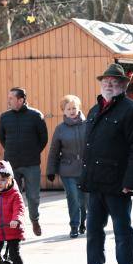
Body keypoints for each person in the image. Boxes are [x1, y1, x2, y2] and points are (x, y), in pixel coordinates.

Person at [70, 64, 133, 264]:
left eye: (114, 82)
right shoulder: (95, 110)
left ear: (123, 85)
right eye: (105, 81)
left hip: (118, 184)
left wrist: (130, 182)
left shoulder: (131, 110)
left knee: (122, 232)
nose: (109, 84)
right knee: (93, 231)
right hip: (95, 183)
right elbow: (90, 146)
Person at [0, 87, 48, 237]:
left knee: (33, 196)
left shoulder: (36, 115)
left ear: (21, 100)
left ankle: (34, 220)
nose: (9, 101)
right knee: (12, 196)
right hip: (11, 165)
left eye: (11, 98)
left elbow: (43, 139)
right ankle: (15, 225)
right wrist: (11, 151)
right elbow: (2, 138)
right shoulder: (4, 117)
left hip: (31, 163)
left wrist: (32, 152)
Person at [46, 95, 88, 238]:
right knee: (73, 198)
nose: (72, 111)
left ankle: (84, 222)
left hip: (85, 170)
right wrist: (50, 170)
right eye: (68, 109)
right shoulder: (60, 129)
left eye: (74, 108)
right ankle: (74, 226)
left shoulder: (88, 125)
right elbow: (53, 151)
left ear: (79, 108)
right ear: (63, 111)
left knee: (84, 201)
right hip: (67, 170)